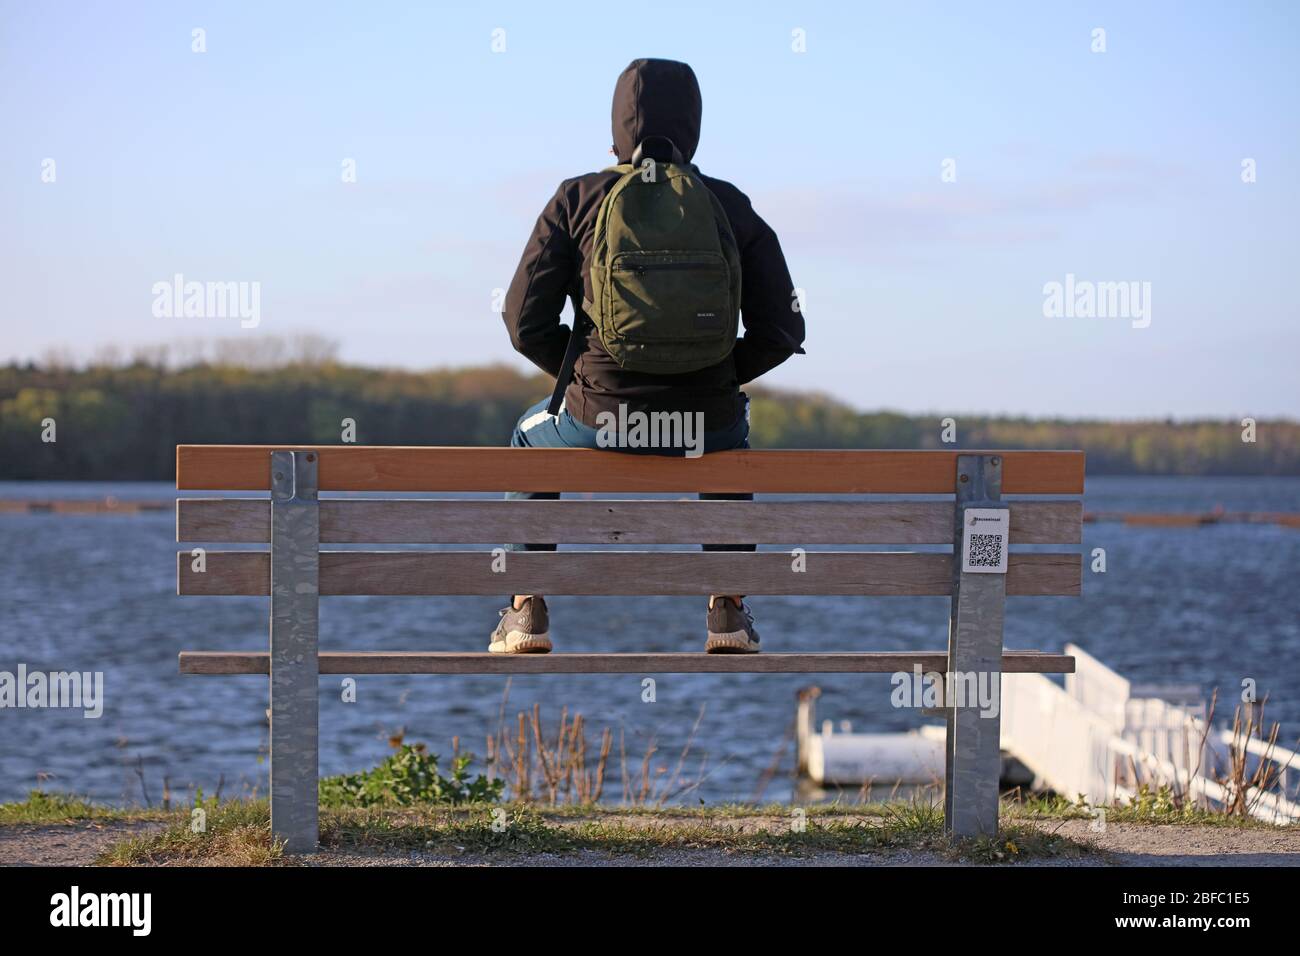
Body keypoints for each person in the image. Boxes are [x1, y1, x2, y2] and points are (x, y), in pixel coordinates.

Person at [493, 57, 805, 655]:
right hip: (704, 424)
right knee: (732, 441)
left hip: (597, 418)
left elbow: (522, 322)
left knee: (528, 436)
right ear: (693, 125)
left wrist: (586, 376)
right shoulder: (728, 204)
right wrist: (714, 378)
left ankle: (525, 607)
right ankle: (729, 612)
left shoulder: (577, 198)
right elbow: (783, 329)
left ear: (618, 124)